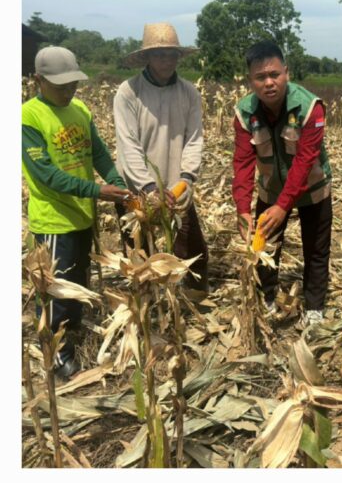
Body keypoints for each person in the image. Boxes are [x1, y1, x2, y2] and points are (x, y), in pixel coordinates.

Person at [22, 47, 130, 379]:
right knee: (55, 292)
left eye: (73, 83)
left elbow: (97, 152)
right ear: (39, 80)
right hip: (54, 221)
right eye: (61, 85)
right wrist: (98, 191)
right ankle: (57, 357)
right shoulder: (28, 117)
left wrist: (115, 182)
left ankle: (74, 338)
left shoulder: (79, 109)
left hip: (83, 217)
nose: (69, 90)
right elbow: (47, 175)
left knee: (77, 285)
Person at [232, 41, 332, 329]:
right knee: (265, 245)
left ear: (286, 72)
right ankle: (266, 296)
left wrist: (282, 206)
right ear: (250, 80)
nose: (269, 83)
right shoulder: (244, 112)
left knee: (316, 249)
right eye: (260, 77)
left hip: (313, 188)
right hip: (271, 189)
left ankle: (314, 307)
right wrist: (242, 208)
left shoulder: (310, 108)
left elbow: (304, 161)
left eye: (274, 74)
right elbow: (242, 162)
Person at [113, 23, 207, 295]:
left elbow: (194, 138)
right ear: (147, 57)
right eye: (159, 54)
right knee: (140, 256)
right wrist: (149, 187)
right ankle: (146, 308)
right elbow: (128, 144)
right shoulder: (129, 92)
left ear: (178, 56)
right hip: (137, 188)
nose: (166, 60)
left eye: (171, 54)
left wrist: (186, 178)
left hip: (176, 188)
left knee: (193, 252)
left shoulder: (189, 92)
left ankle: (191, 302)